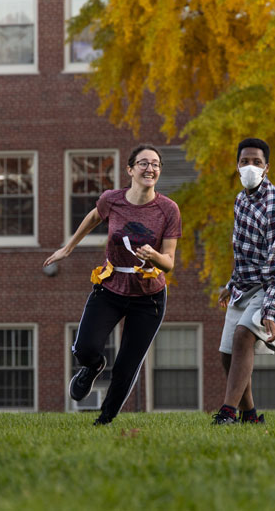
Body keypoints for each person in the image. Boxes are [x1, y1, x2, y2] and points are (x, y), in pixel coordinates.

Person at [44, 144, 181, 426]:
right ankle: (92, 367)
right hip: (110, 287)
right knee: (84, 347)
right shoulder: (112, 200)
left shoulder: (168, 209)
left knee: (127, 365)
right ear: (130, 170)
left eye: (155, 164)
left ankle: (104, 420)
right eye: (143, 163)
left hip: (149, 297)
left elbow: (169, 262)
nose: (150, 168)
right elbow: (94, 216)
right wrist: (68, 248)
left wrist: (153, 256)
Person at [212, 138, 275, 425]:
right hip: (252, 281)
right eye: (245, 162)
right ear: (237, 166)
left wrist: (270, 310)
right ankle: (250, 416)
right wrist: (232, 284)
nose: (250, 167)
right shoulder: (241, 201)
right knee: (227, 354)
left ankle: (227, 413)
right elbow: (243, 252)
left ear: (266, 168)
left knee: (245, 333)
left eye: (257, 162)